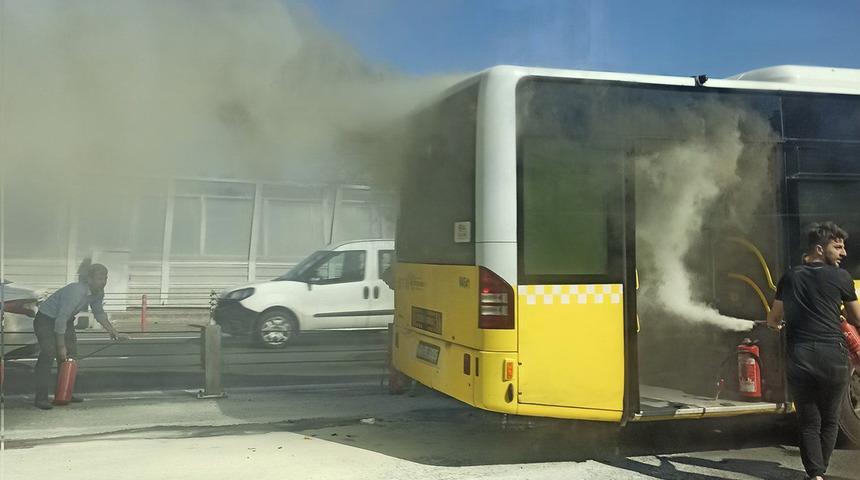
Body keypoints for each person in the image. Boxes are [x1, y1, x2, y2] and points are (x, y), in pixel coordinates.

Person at [767, 221, 860, 480]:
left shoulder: (790, 276)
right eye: (838, 247)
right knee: (830, 419)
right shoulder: (842, 278)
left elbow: (774, 319)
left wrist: (779, 326)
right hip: (834, 357)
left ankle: (815, 475)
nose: (843, 253)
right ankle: (822, 469)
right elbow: (857, 318)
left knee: (809, 420)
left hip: (800, 357)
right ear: (820, 249)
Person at [33, 258, 122, 410]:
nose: (103, 282)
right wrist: (61, 346)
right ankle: (40, 398)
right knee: (49, 353)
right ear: (90, 279)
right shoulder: (76, 291)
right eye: (100, 278)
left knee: (70, 356)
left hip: (65, 321)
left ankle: (64, 392)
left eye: (105, 278)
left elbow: (99, 313)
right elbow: (60, 319)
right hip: (46, 319)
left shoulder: (98, 293)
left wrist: (113, 331)